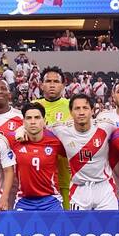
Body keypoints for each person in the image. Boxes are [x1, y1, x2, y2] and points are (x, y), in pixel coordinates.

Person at [17, 94, 119, 210]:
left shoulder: (106, 126)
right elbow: (39, 126)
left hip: (104, 188)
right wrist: (21, 130)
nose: (81, 112)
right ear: (70, 112)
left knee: (111, 227)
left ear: (92, 111)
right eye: (77, 108)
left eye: (85, 108)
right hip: (78, 190)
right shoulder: (60, 129)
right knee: (78, 228)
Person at [12, 103, 67, 211]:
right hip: (23, 201)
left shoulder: (56, 141)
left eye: (37, 118)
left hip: (51, 200)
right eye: (29, 118)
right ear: (23, 122)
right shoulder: (14, 141)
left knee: (57, 228)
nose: (33, 122)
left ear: (44, 120)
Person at [33, 66, 71, 208]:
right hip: (39, 177)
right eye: (48, 81)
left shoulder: (72, 106)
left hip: (66, 173)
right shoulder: (33, 107)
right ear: (42, 85)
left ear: (62, 85)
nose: (52, 84)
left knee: (69, 220)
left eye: (56, 81)